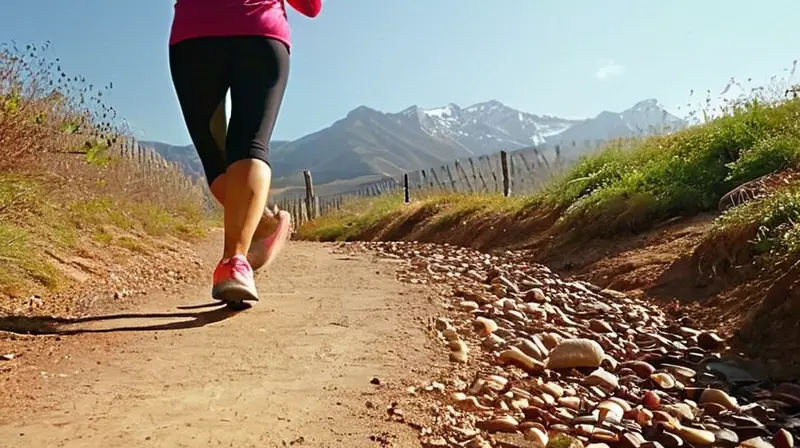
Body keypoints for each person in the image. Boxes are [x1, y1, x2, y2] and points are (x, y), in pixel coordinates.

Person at [168, 0, 323, 306]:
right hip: (260, 32)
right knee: (248, 145)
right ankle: (249, 243)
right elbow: (310, 6)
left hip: (194, 38)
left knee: (216, 160)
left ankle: (238, 256)